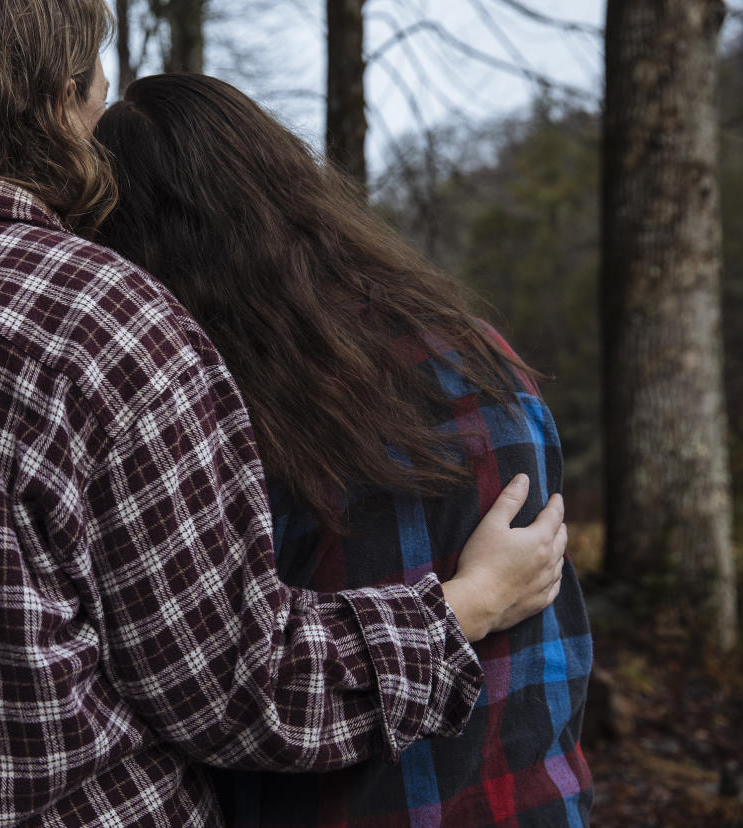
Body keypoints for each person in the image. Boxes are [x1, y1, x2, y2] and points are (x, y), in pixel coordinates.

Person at [0, 3, 568, 825]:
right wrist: (462, 611)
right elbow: (234, 690)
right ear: (65, 100)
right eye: (97, 80)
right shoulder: (107, 321)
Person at [92, 73, 593, 827]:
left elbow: (223, 683)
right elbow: (559, 619)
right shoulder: (474, 348)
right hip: (529, 801)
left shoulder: (205, 408)